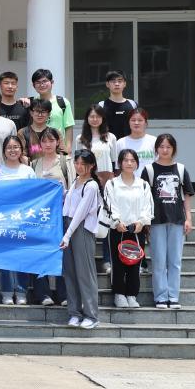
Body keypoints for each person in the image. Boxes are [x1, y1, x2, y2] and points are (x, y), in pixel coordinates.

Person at [145, 134, 195, 309]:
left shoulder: (181, 169)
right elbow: (144, 197)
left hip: (177, 220)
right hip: (156, 220)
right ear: (156, 149)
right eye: (161, 146)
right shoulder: (149, 170)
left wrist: (189, 218)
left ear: (174, 149)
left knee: (175, 261)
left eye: (168, 147)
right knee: (158, 261)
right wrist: (145, 222)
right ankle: (160, 297)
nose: (165, 150)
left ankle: (173, 296)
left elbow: (187, 195)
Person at [103, 148, 154, 309]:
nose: (129, 163)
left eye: (132, 160)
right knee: (117, 263)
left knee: (135, 262)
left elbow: (148, 206)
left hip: (137, 230)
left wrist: (142, 222)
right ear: (120, 163)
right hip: (118, 229)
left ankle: (132, 295)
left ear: (137, 163)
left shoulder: (143, 185)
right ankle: (119, 295)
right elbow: (108, 204)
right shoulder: (112, 183)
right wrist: (116, 222)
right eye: (126, 160)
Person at [28, 127, 71, 307]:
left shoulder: (66, 162)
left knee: (62, 253)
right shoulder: (33, 164)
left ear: (57, 142)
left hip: (61, 214)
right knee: (39, 252)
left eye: (51, 140)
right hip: (40, 216)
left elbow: (73, 188)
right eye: (44, 141)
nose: (47, 144)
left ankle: (64, 293)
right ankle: (43, 293)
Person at [61, 150, 103, 330]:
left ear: (91, 165)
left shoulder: (91, 185)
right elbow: (68, 205)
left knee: (85, 274)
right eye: (76, 163)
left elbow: (80, 213)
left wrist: (67, 235)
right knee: (70, 272)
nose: (79, 167)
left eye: (83, 164)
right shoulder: (75, 181)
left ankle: (91, 315)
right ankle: (75, 313)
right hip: (69, 227)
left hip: (82, 230)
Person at [0, 135, 36, 305]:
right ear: (4, 151)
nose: (12, 150)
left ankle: (21, 292)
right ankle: (6, 292)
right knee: (4, 257)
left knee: (21, 257)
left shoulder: (28, 171)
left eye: (16, 147)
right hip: (3, 220)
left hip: (23, 221)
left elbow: (35, 196)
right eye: (9, 147)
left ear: (21, 149)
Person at [80, 105, 118, 277]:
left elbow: (114, 162)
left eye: (98, 116)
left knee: (106, 220)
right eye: (91, 116)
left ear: (102, 119)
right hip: (88, 183)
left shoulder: (111, 137)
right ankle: (88, 258)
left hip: (107, 183)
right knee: (88, 219)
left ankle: (107, 260)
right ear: (87, 119)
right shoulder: (81, 138)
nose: (94, 119)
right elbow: (78, 163)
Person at [30, 68, 74, 150]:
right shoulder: (31, 102)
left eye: (44, 81)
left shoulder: (63, 102)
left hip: (58, 149)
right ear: (33, 85)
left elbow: (68, 127)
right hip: (36, 149)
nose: (42, 85)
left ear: (52, 82)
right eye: (38, 82)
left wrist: (68, 149)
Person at [97, 70, 138, 139]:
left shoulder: (133, 104)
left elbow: (139, 125)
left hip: (129, 144)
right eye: (113, 81)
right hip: (108, 143)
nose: (117, 84)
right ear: (107, 84)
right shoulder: (101, 105)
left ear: (125, 84)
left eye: (120, 81)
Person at [115, 108, 157, 173]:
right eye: (133, 120)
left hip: (149, 179)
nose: (136, 123)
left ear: (146, 123)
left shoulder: (154, 141)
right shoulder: (120, 143)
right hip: (127, 179)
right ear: (129, 123)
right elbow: (118, 168)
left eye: (140, 120)